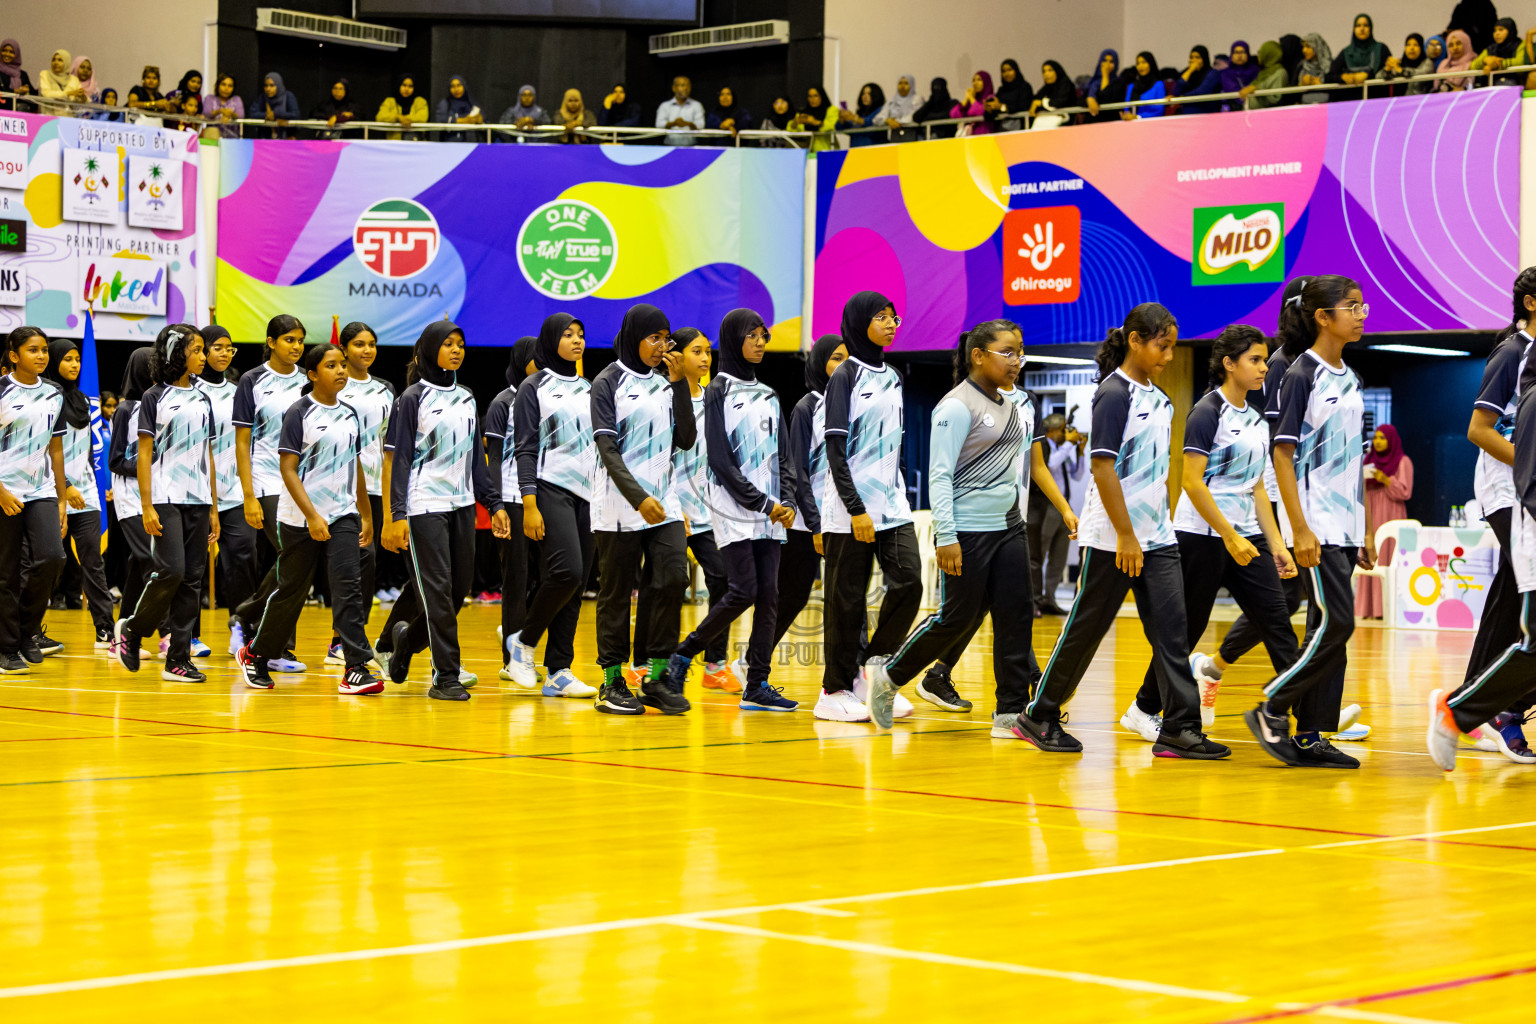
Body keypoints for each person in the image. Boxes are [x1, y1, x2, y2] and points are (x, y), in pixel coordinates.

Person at [1017, 304, 1226, 758]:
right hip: (1112, 539)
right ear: (1135, 340)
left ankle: (1178, 727)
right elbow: (1102, 468)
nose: (1169, 356)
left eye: (1173, 347)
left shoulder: (1162, 399)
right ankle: (1039, 714)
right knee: (1085, 631)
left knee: (1174, 631)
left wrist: (1150, 531)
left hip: (1158, 537)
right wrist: (1127, 536)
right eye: (1162, 346)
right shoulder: (1114, 394)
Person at [1119, 326, 1302, 746]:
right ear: (1229, 363)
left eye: (1265, 359)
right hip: (1200, 536)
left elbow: (1257, 487)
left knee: (1277, 622)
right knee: (1187, 631)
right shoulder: (1207, 411)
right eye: (1255, 360)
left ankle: (1294, 718)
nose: (1263, 368)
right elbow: (1192, 482)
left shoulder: (1257, 420)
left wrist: (1275, 545)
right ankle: (1145, 707)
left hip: (1248, 537)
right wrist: (1228, 535)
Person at [864, 322, 1042, 732]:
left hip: (1009, 527)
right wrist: (947, 536)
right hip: (968, 532)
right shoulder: (956, 407)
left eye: (1020, 352)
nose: (1017, 361)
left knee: (1016, 617)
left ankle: (1010, 712)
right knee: (955, 620)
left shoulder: (1010, 405)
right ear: (978, 355)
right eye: (1008, 352)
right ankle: (889, 677)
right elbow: (939, 476)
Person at [1244, 276, 1376, 768]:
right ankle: (1272, 706)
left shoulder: (1351, 376)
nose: (1362, 313)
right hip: (1315, 522)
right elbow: (1282, 455)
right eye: (1352, 306)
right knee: (1337, 622)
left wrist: (1361, 527)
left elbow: (1352, 460)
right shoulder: (1301, 373)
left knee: (1330, 629)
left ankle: (1311, 735)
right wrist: (1298, 528)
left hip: (1344, 524)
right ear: (1323, 317)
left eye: (1362, 305)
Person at [657, 309, 799, 713]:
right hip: (733, 504)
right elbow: (719, 459)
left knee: (769, 595)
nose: (759, 343)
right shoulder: (717, 391)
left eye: (763, 337)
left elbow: (783, 455)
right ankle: (685, 653)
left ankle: (757, 684)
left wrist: (785, 500)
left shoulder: (770, 394)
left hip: (772, 510)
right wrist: (763, 502)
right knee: (744, 589)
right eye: (751, 336)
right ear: (734, 340)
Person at [237, 345, 381, 695]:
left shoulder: (349, 414)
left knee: (348, 588)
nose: (341, 371)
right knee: (291, 592)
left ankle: (356, 666)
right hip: (299, 519)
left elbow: (355, 465)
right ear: (313, 374)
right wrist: (312, 516)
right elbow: (286, 468)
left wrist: (364, 513)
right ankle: (256, 654)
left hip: (343, 515)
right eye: (332, 366)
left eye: (342, 365)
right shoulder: (298, 412)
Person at [380, 322, 509, 700]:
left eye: (461, 344)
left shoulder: (468, 397)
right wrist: (397, 513)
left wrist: (494, 504)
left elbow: (476, 462)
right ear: (429, 349)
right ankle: (445, 675)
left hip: (463, 504)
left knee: (458, 591)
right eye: (448, 344)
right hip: (424, 504)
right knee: (436, 591)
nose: (456, 350)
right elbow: (400, 459)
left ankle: (405, 641)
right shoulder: (411, 397)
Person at [814, 292, 922, 723]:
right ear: (861, 323)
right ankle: (833, 690)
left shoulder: (894, 376)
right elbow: (835, 452)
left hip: (892, 506)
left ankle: (870, 669)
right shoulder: (845, 376)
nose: (892, 322)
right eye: (881, 317)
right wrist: (856, 508)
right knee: (847, 602)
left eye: (894, 315)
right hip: (849, 511)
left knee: (910, 582)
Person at [1430, 343, 1536, 770]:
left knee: (1511, 611)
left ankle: (1475, 707)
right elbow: (1524, 475)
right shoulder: (1522, 378)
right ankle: (1463, 710)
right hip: (1521, 512)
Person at [585, 305, 696, 715]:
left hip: (663, 502)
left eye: (666, 339)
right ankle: (612, 682)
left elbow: (685, 439)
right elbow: (607, 450)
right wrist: (638, 498)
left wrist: (681, 383)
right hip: (618, 505)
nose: (662, 346)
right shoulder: (607, 382)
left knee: (671, 579)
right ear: (634, 337)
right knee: (615, 593)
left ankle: (655, 676)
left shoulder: (667, 382)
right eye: (654, 338)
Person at [112, 325, 218, 684]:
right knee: (171, 571)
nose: (204, 357)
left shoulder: (204, 399)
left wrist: (215, 507)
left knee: (192, 581)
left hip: (199, 498)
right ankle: (134, 628)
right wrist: (147, 505)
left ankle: (178, 659)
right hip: (165, 497)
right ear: (177, 354)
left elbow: (209, 453)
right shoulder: (153, 398)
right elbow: (143, 454)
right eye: (198, 350)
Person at [506, 313, 599, 698]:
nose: (576, 341)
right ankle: (522, 645)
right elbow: (526, 448)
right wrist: (529, 503)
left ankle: (559, 669)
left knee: (576, 583)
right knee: (566, 571)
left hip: (589, 494)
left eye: (580, 334)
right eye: (567, 335)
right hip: (550, 488)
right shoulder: (535, 386)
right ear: (550, 340)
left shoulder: (592, 387)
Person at [652, 328, 740, 692]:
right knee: (663, 585)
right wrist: (670, 502)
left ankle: (714, 663)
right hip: (669, 507)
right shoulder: (660, 396)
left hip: (710, 511)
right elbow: (658, 456)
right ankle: (645, 662)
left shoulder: (715, 399)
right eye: (697, 352)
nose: (705, 359)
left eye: (708, 352)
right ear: (676, 356)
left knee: (725, 579)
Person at [230, 315, 309, 671]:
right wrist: (248, 495)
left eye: (300, 341)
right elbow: (242, 443)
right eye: (289, 340)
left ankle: (247, 617)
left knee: (296, 563)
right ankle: (274, 646)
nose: (296, 347)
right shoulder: (252, 380)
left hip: (303, 484)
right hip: (265, 479)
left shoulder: (310, 380)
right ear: (271, 341)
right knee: (293, 556)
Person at [772, 334, 846, 672]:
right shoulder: (808, 407)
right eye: (835, 359)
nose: (843, 366)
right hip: (807, 522)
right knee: (793, 594)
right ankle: (752, 659)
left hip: (845, 518)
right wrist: (816, 523)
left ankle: (853, 672)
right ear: (819, 363)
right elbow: (797, 470)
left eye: (847, 359)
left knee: (846, 599)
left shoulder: (853, 405)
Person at [0, 329, 66, 673]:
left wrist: (60, 499)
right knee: (5, 573)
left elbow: (56, 449)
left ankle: (27, 632)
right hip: (3, 493)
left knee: (53, 558)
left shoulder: (54, 393)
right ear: (14, 355)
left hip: (40, 491)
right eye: (32, 350)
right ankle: (7, 647)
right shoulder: (1, 390)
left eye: (43, 350)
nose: (41, 356)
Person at [332, 322, 395, 666]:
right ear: (343, 349)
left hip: (373, 487)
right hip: (338, 487)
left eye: (372, 344)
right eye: (359, 344)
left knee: (367, 563)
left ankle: (346, 639)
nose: (367, 350)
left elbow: (390, 444)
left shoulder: (386, 391)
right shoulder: (333, 387)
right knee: (352, 561)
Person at [483, 337, 536, 681]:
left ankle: (522, 639)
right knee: (516, 579)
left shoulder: (546, 399)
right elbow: (493, 461)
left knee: (547, 579)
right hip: (512, 502)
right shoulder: (503, 403)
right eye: (537, 359)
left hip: (543, 500)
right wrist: (496, 504)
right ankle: (510, 660)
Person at [198, 326, 254, 639]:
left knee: (243, 557)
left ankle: (241, 625)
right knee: (192, 567)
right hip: (195, 491)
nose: (224, 353)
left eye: (228, 348)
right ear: (202, 351)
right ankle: (187, 635)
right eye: (217, 347)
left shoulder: (238, 390)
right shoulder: (189, 389)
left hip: (233, 489)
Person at [108, 350, 154, 642]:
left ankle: (121, 634)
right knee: (153, 561)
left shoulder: (160, 404)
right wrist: (148, 469)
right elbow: (115, 461)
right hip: (129, 497)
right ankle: (168, 633)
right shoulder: (125, 410)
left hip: (156, 494)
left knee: (140, 567)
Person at [1029, 413, 1086, 614]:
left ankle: (1049, 599)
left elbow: (1078, 475)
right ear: (1052, 430)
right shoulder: (1044, 447)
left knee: (1058, 557)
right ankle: (1034, 600)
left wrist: (1079, 452)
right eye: (1063, 429)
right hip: (1046, 508)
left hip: (1064, 508)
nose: (1066, 433)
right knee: (1038, 554)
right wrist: (1069, 445)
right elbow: (1049, 465)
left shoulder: (1063, 449)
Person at [1354, 425, 1412, 619]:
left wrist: (1385, 479)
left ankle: (1386, 609)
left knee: (1387, 558)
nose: (1377, 442)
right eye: (1375, 438)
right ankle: (1367, 609)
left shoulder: (1403, 462)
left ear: (1391, 440)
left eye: (1382, 438)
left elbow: (1405, 492)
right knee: (1369, 559)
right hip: (1370, 516)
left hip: (1390, 516)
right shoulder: (1368, 461)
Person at [1329, 14, 1391, 100]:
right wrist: (1343, 77)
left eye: (1365, 25)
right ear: (1354, 29)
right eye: (1358, 25)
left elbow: (1388, 72)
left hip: (1377, 100)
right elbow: (1330, 75)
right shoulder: (1346, 52)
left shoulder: (1381, 49)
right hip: (1350, 103)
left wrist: (1368, 76)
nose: (1362, 29)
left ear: (1371, 28)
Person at [1470, 17, 1529, 85]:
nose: (1497, 33)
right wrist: (1484, 60)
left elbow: (1521, 61)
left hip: (1516, 83)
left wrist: (1497, 64)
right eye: (1495, 31)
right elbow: (1472, 66)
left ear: (1510, 31)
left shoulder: (1520, 44)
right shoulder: (1492, 48)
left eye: (1501, 30)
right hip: (1492, 83)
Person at [655, 76, 704, 146]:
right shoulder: (665, 106)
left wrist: (688, 124)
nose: (686, 88)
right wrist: (673, 123)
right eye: (682, 85)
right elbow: (659, 124)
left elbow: (700, 125)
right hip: (669, 147)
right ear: (674, 88)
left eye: (688, 86)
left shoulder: (697, 105)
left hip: (691, 147)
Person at [377, 74, 429, 140]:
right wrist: (397, 117)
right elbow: (380, 117)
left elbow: (422, 118)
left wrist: (405, 119)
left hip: (416, 143)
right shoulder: (390, 101)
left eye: (410, 86)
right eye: (404, 85)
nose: (407, 89)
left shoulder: (420, 101)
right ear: (398, 86)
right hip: (394, 144)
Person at [1174, 46, 1223, 114]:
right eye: (1191, 57)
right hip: (1187, 114)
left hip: (1206, 113)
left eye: (1197, 57)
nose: (1193, 60)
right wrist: (1190, 71)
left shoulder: (1213, 73)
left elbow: (1201, 92)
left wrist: (1181, 98)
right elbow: (1175, 91)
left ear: (1204, 59)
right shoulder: (1186, 73)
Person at [1029, 61, 1078, 129]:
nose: (1046, 74)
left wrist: (1041, 103)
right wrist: (1035, 104)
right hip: (1045, 120)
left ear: (1057, 71)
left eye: (1050, 70)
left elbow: (1060, 102)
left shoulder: (1065, 83)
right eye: (1044, 71)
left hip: (1065, 122)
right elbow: (1035, 100)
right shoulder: (1046, 88)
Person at [988, 59, 1033, 131]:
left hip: (1021, 129)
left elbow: (1023, 106)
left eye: (1009, 70)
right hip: (1001, 130)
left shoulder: (1024, 87)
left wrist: (1004, 107)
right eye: (1003, 71)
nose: (1006, 74)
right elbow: (994, 113)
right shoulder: (1001, 90)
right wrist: (990, 108)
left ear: (1016, 70)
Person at [435, 75, 482, 142]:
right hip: (450, 144)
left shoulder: (471, 103)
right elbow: (440, 120)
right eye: (453, 86)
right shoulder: (445, 103)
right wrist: (463, 121)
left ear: (464, 86)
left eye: (459, 85)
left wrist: (479, 120)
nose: (456, 89)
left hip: (471, 145)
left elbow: (484, 123)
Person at [793, 85, 839, 150]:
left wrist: (815, 122)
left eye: (815, 96)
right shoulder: (803, 112)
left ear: (822, 96)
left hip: (826, 150)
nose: (812, 99)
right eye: (810, 96)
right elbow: (792, 129)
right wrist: (795, 123)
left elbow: (832, 126)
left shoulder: (831, 110)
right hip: (805, 150)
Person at [1122, 51, 1167, 118]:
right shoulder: (1131, 86)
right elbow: (1127, 108)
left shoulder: (1158, 85)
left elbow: (1159, 111)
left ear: (1150, 64)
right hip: (1132, 124)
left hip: (1151, 124)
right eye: (1138, 63)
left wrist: (1137, 117)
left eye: (1144, 62)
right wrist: (1127, 116)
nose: (1141, 66)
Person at [256, 72, 299, 138]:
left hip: (287, 139)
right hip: (266, 140)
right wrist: (266, 115)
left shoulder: (288, 96)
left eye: (272, 85)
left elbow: (295, 114)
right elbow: (253, 113)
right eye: (266, 86)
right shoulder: (263, 98)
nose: (268, 89)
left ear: (278, 85)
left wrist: (275, 115)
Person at [1245, 41, 1288, 107]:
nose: (1259, 56)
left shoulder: (1280, 72)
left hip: (1267, 114)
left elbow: (1274, 98)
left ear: (1268, 54)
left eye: (1261, 53)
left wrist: (1257, 89)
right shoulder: (1263, 71)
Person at [1218, 41, 1259, 110]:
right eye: (1236, 52)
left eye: (1242, 52)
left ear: (1247, 54)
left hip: (1254, 108)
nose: (1239, 56)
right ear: (1232, 55)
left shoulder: (1256, 71)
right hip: (1234, 110)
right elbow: (1233, 91)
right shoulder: (1226, 73)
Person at [1085, 49, 1123, 121]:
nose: (1107, 64)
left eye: (1111, 62)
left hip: (1109, 122)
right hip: (1092, 122)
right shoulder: (1094, 82)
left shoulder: (1119, 82)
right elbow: (1080, 101)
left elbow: (1105, 99)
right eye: (1105, 61)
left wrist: (1105, 76)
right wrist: (1089, 100)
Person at [881, 74, 922, 141]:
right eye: (900, 83)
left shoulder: (917, 99)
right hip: (894, 137)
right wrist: (887, 120)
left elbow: (913, 116)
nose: (902, 86)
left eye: (906, 83)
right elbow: (877, 119)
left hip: (913, 135)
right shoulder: (892, 101)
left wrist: (895, 121)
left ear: (911, 85)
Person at [0, 40, 35, 112]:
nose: (7, 54)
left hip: (19, 116)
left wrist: (27, 92)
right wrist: (15, 91)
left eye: (11, 52)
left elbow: (34, 98)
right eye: (4, 50)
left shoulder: (22, 74)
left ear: (17, 54)